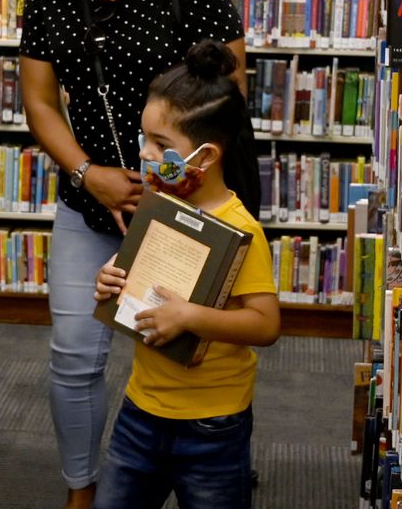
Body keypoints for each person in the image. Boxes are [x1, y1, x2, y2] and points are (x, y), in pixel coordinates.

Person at [20, 0, 246, 509]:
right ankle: (81, 488)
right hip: (90, 202)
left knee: (188, 349)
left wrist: (170, 184)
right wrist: (89, 173)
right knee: (74, 355)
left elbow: (227, 97)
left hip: (183, 205)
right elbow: (38, 100)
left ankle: (212, 468)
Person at [91, 40, 279, 509]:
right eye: (145, 138)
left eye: (162, 145)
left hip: (213, 425)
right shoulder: (159, 207)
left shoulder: (240, 229)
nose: (147, 154)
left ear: (207, 156)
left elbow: (266, 324)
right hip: (141, 410)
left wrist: (190, 317)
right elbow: (138, 282)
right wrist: (111, 280)